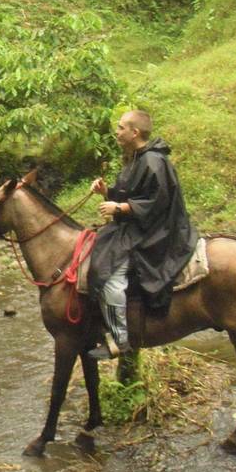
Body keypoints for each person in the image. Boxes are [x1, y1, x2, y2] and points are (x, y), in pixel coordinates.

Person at [86, 110, 198, 360]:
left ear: (134, 132)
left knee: (111, 275)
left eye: (121, 127)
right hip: (139, 226)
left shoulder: (153, 161)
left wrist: (121, 208)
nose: (116, 132)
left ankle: (119, 340)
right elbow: (131, 193)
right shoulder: (135, 158)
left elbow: (158, 202)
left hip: (157, 232)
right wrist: (108, 192)